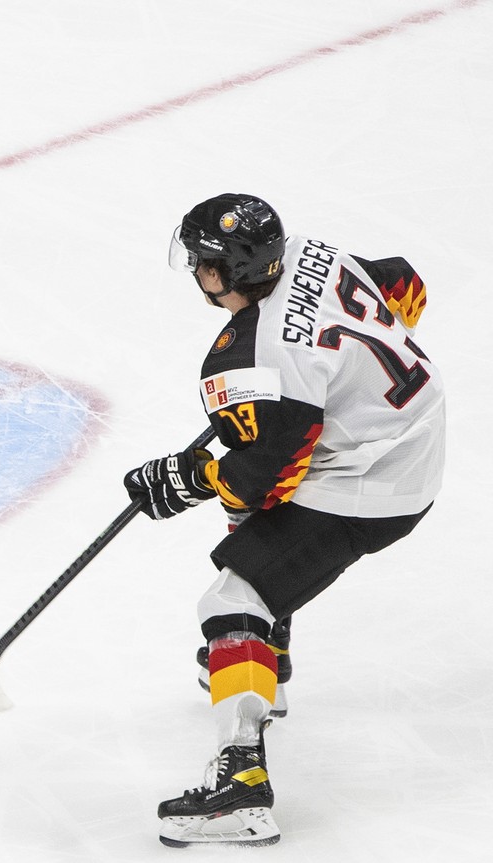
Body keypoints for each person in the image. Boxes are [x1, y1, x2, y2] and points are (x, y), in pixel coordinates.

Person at [122, 193, 444, 847]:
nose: (196, 272)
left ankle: (241, 784)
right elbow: (404, 281)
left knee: (230, 599)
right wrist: (354, 365)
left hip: (372, 482)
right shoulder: (309, 252)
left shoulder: (252, 352)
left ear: (234, 270)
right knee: (259, 535)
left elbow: (269, 476)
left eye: (205, 261)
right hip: (411, 430)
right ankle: (271, 654)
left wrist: (186, 479)